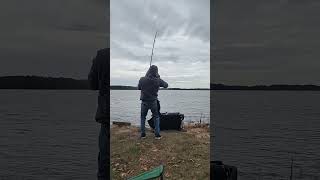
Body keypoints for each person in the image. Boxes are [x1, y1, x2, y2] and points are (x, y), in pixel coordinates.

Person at [88, 48, 109, 180]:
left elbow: (92, 84)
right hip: (107, 113)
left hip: (106, 114)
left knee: (105, 160)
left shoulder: (102, 55)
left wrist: (95, 64)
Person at [138, 65, 168, 139]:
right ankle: (157, 135)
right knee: (156, 117)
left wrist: (146, 76)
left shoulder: (142, 79)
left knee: (143, 117)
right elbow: (166, 85)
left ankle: (143, 134)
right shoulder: (158, 80)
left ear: (148, 71)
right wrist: (158, 77)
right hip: (153, 102)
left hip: (144, 102)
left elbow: (139, 88)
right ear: (156, 72)